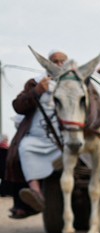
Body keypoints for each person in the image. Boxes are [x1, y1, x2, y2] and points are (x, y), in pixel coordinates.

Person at [6, 50, 68, 218]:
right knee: (24, 148)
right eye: (55, 61)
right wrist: (37, 92)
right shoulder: (35, 83)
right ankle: (36, 194)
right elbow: (18, 106)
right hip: (36, 138)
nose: (59, 64)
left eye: (63, 61)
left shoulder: (72, 83)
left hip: (64, 139)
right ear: (48, 63)